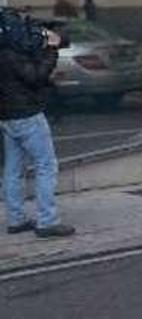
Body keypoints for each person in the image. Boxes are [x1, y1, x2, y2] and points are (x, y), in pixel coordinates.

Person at [0, 27, 75, 238]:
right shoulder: (12, 54)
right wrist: (51, 50)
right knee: (46, 165)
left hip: (6, 116)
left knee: (13, 169)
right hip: (27, 114)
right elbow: (36, 76)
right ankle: (47, 221)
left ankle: (16, 219)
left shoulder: (4, 52)